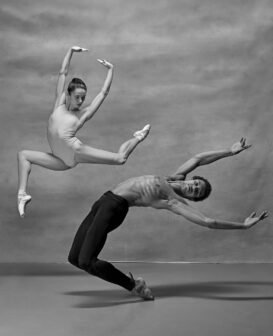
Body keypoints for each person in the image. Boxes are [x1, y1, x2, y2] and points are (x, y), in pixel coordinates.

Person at [68, 137, 268, 300]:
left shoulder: (173, 201)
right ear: (192, 179)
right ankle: (131, 284)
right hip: (103, 200)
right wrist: (229, 152)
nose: (194, 188)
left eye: (196, 193)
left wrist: (242, 226)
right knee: (75, 259)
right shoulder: (175, 177)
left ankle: (133, 285)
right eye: (196, 184)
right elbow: (198, 158)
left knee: (87, 261)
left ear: (191, 198)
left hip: (114, 208)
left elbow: (209, 222)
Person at [17, 46, 151, 217]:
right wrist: (70, 52)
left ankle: (137, 137)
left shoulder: (82, 114)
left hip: (75, 152)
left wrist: (111, 70)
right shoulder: (59, 103)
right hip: (59, 160)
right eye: (77, 96)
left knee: (120, 159)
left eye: (83, 98)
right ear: (68, 94)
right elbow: (63, 73)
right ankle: (22, 195)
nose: (80, 101)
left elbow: (103, 93)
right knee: (23, 155)